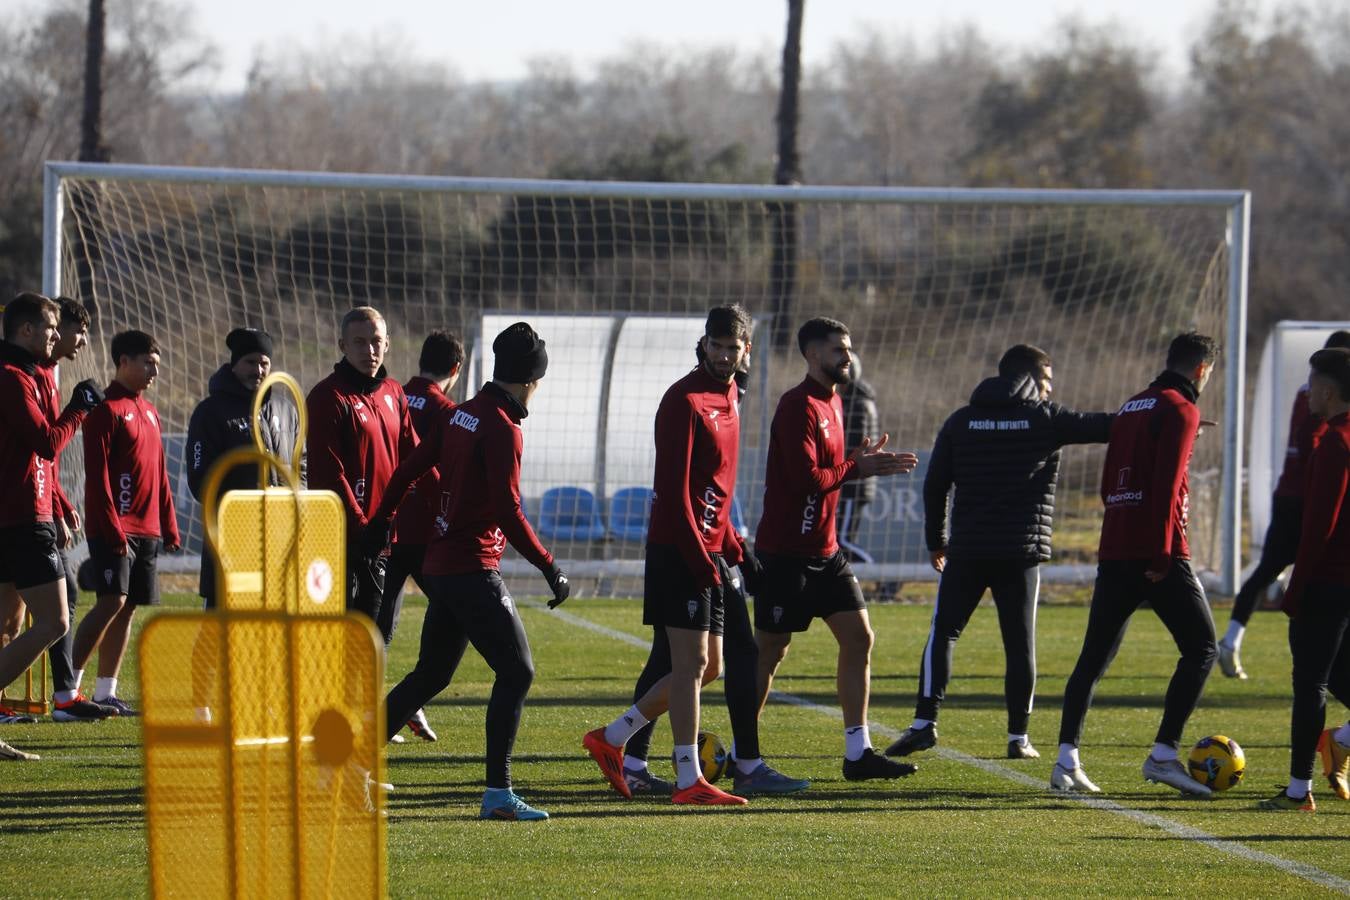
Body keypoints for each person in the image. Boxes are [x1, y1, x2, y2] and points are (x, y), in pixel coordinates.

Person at [594, 322, 808, 799]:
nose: (724, 354)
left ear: (745, 349)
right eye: (716, 345)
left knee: (709, 667)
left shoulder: (731, 396)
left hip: (710, 550)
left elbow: (716, 492)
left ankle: (612, 738)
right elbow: (674, 493)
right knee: (690, 665)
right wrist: (700, 557)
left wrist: (737, 550)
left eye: (733, 347)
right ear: (704, 345)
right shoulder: (683, 400)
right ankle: (690, 778)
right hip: (678, 551)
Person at [365, 321, 568, 821]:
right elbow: (508, 508)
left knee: (431, 674)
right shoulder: (502, 425)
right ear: (529, 380)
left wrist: (382, 520)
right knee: (518, 671)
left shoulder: (463, 415)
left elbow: (408, 468)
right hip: (472, 567)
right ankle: (498, 793)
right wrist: (550, 567)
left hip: (443, 562)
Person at [885, 344, 1112, 761]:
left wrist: (937, 541)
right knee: (1020, 645)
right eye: (1047, 380)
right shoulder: (1045, 418)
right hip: (1019, 553)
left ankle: (923, 723)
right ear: (1030, 378)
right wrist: (1167, 420)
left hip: (968, 549)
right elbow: (1107, 426)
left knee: (944, 632)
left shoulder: (962, 421)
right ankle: (1017, 738)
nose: (1049, 389)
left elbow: (936, 485)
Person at [1052, 331, 1220, 796]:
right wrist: (1163, 553)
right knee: (1203, 648)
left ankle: (1066, 760)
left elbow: (1110, 486)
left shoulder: (1132, 406)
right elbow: (1166, 488)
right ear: (1202, 370)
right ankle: (1164, 755)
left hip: (1116, 546)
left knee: (1093, 657)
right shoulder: (1182, 409)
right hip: (1157, 550)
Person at [752, 317, 919, 781]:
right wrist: (856, 467)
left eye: (847, 349)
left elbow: (833, 471)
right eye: (838, 351)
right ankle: (746, 754)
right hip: (785, 553)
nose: (847, 358)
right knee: (770, 651)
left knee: (860, 638)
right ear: (812, 355)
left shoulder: (836, 402)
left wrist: (855, 463)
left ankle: (858, 753)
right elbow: (809, 479)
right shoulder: (795, 406)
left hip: (826, 552)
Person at [0, 293, 105, 760]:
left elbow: (39, 455)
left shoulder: (30, 373)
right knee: (56, 620)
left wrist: (58, 502)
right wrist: (80, 408)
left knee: (10, 625)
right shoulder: (12, 377)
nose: (56, 336)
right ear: (26, 331)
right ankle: (66, 695)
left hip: (27, 515)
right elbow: (46, 441)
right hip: (21, 520)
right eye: (49, 328)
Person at [1219, 330, 1350, 680]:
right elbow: (1311, 444)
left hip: (1288, 494)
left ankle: (1232, 639)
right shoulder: (1331, 408)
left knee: (1266, 570)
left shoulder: (1307, 393)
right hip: (1308, 498)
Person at [69, 329, 180, 717]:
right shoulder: (106, 409)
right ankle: (69, 691)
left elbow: (160, 472)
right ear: (123, 362)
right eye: (147, 362)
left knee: (128, 606)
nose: (153, 370)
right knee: (110, 601)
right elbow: (97, 475)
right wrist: (111, 524)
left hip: (147, 528)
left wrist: (169, 523)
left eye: (157, 364)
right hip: (115, 527)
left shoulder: (149, 411)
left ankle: (106, 692)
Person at [1258, 347, 1350, 811]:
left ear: (1329, 391)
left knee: (1310, 683)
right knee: (1341, 679)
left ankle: (1299, 790)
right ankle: (1343, 741)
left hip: (1328, 586)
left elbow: (1319, 527)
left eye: (1312, 384)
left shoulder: (1335, 443)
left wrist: (1294, 590)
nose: (1308, 391)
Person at [306, 306, 416, 627]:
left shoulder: (394, 392)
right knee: (340, 635)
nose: (370, 349)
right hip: (341, 537)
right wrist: (362, 526)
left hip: (381, 535)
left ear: (387, 343)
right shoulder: (328, 396)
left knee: (377, 636)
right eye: (359, 342)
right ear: (342, 345)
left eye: (376, 341)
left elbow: (414, 458)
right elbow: (330, 473)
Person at [379, 330, 463, 744]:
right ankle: (409, 699)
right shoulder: (447, 411)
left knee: (379, 626)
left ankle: (391, 704)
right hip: (428, 534)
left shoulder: (391, 395)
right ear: (455, 369)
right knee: (449, 619)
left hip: (387, 529)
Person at [185, 327, 304, 606]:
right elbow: (200, 479)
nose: (258, 370)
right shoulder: (210, 412)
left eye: (264, 363)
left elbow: (303, 464)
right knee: (223, 630)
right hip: (233, 540)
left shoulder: (286, 410)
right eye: (250, 362)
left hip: (280, 537)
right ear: (234, 364)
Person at [836, 350, 880, 564]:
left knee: (842, 540)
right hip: (852, 482)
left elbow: (854, 446)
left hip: (854, 485)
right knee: (842, 538)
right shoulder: (856, 401)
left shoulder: (857, 405)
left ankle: (880, 576)